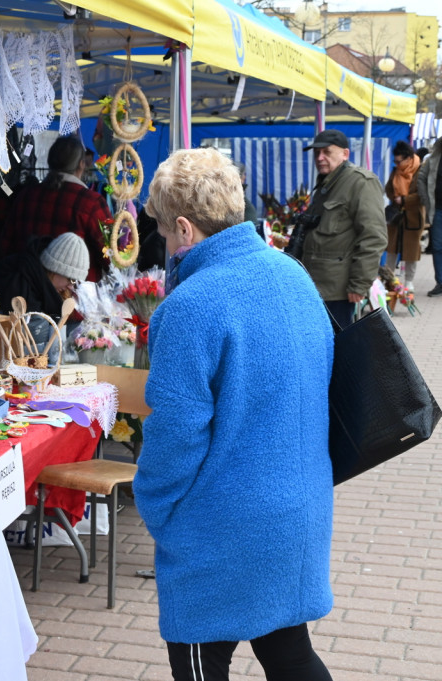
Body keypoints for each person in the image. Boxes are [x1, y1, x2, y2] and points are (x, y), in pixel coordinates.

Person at [135, 148, 335, 681]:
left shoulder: (189, 305)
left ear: (184, 229)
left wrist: (154, 504)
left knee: (201, 659)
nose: (163, 244)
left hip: (222, 527)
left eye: (161, 231)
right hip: (298, 509)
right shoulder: (293, 275)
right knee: (291, 654)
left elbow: (175, 433)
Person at [298, 129, 387, 328]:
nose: (320, 158)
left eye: (327, 152)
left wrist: (359, 284)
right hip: (317, 283)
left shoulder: (360, 182)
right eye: (317, 153)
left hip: (338, 289)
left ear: (345, 154)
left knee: (340, 348)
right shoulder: (327, 183)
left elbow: (374, 237)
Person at [0, 135, 112, 281]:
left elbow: (6, 246)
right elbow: (110, 256)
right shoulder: (91, 202)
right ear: (81, 165)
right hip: (74, 296)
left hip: (27, 292)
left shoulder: (25, 196)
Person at [0, 232, 88, 362]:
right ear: (55, 268)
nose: (71, 286)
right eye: (70, 279)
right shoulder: (19, 283)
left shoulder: (45, 286)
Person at [384, 141, 424, 291]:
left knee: (411, 250)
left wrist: (405, 199)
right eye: (395, 161)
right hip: (396, 215)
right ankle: (389, 279)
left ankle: (409, 281)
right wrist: (394, 196)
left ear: (408, 159)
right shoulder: (395, 171)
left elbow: (422, 194)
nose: (397, 164)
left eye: (399, 161)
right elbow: (388, 188)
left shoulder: (420, 171)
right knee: (392, 248)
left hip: (414, 216)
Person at [417, 137, 442, 296]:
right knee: (438, 246)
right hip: (437, 209)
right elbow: (421, 178)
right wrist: (426, 201)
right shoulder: (434, 157)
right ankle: (440, 282)